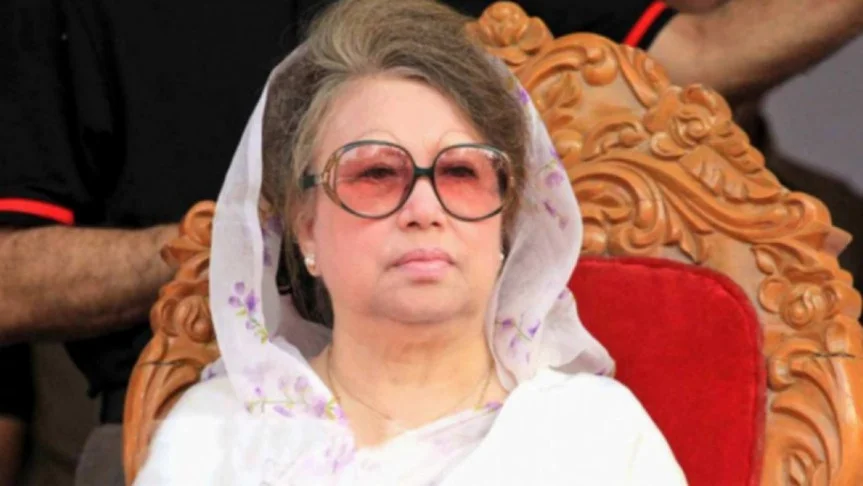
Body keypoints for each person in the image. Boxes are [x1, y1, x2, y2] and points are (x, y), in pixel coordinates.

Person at [133, 1, 686, 484]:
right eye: (375, 173)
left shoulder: (597, 437)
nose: (425, 210)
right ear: (306, 227)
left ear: (506, 220)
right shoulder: (213, 438)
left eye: (461, 172)